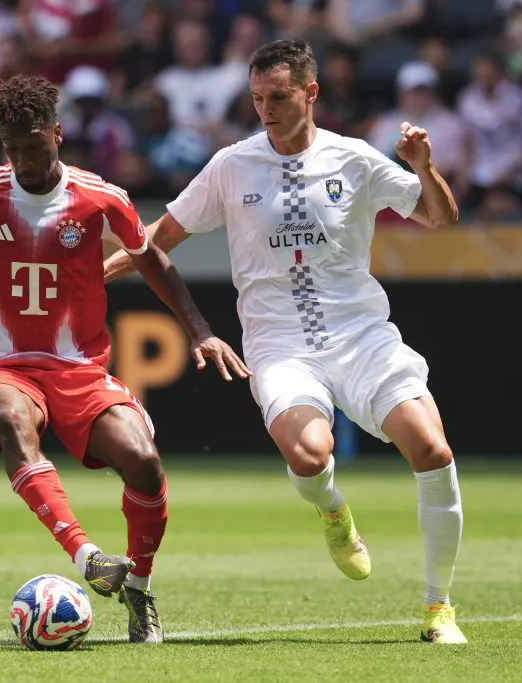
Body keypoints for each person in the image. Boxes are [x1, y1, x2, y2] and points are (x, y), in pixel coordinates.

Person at [0, 74, 249, 644]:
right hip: (6, 365)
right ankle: (87, 555)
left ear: (58, 136)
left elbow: (154, 263)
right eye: (13, 149)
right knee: (13, 420)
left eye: (34, 147)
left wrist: (200, 331)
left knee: (143, 462)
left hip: (82, 371)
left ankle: (139, 588)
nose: (24, 160)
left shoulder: (100, 197)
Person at [104, 40, 467, 644]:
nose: (265, 110)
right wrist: (93, 274)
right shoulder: (230, 165)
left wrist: (422, 166)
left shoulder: (354, 159)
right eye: (256, 99)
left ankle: (439, 608)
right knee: (309, 455)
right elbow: (156, 239)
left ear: (311, 93)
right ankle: (331, 508)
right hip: (279, 344)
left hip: (362, 336)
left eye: (277, 97)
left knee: (432, 449)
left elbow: (440, 218)